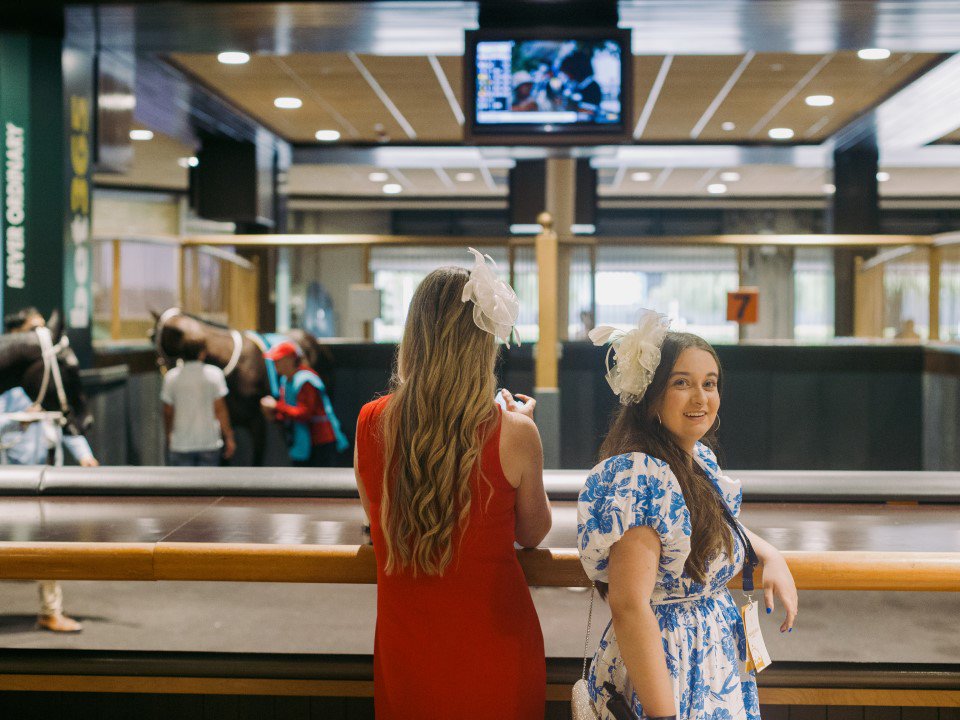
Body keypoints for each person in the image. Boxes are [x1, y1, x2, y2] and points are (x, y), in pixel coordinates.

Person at [353, 252, 552, 719]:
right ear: (484, 342)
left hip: (407, 648)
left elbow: (377, 517)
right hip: (497, 643)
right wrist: (518, 426)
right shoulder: (514, 433)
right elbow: (533, 532)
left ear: (414, 336)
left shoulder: (371, 423)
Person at [578, 310, 798, 720]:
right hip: (667, 667)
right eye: (682, 383)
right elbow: (629, 606)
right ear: (651, 394)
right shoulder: (639, 476)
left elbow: (709, 524)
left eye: (709, 384)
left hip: (712, 660)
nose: (702, 398)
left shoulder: (695, 459)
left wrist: (770, 555)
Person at [0, 307, 98, 633]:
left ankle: (50, 610)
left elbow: (64, 422)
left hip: (44, 470)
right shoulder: (18, 379)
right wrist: (16, 423)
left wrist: (85, 455)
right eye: (34, 330)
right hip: (13, 471)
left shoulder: (39, 373)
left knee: (48, 544)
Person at [259, 341, 348, 467]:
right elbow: (289, 412)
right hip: (302, 443)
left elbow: (305, 414)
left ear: (290, 360)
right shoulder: (286, 380)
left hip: (319, 443)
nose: (274, 364)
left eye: (278, 360)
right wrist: (273, 415)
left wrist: (276, 406)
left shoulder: (305, 380)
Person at [161, 335, 235, 466]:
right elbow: (220, 410)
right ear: (202, 353)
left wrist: (168, 435)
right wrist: (229, 437)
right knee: (208, 485)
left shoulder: (171, 377)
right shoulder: (215, 374)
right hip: (208, 442)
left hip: (180, 443)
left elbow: (168, 412)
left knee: (182, 485)